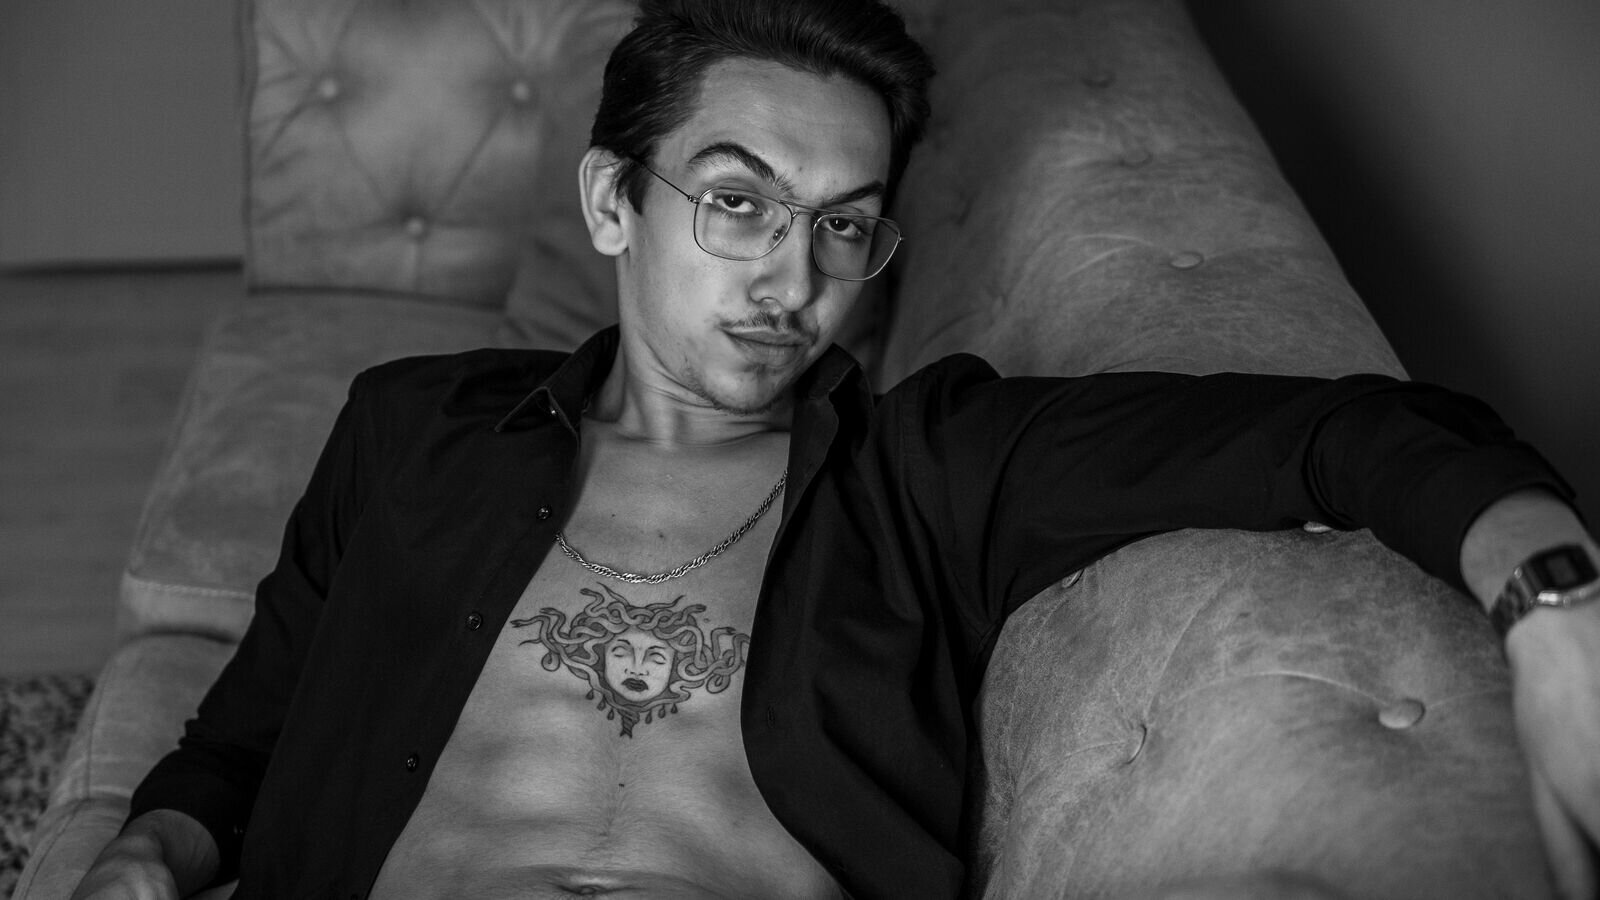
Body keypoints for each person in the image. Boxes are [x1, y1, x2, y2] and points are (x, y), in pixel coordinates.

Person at [73, 1, 1600, 898]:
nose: (794, 279)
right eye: (738, 202)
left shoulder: (932, 471)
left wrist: (1550, 603)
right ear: (614, 203)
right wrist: (152, 851)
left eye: (844, 228)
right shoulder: (411, 430)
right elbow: (238, 744)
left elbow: (1347, 431)